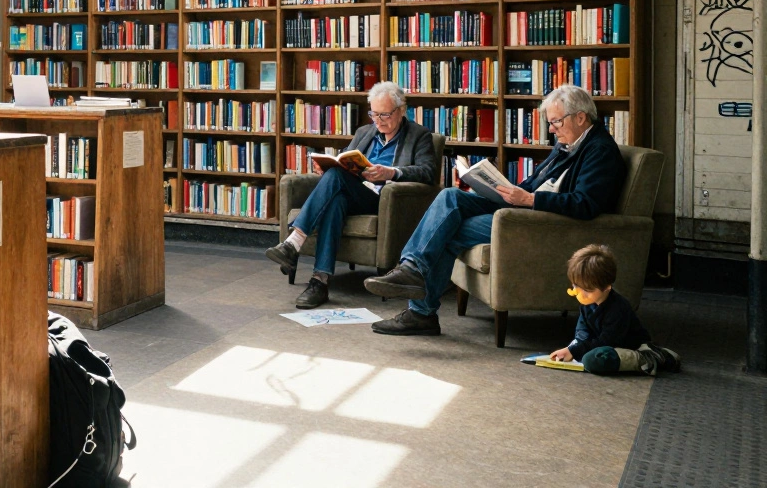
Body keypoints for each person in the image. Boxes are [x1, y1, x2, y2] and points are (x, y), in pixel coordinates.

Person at [364, 84, 626, 336]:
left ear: (581, 117)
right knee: (450, 197)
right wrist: (501, 188)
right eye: (550, 122)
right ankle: (412, 268)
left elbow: (586, 204)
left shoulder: (599, 151)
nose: (552, 129)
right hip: (524, 206)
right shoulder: (568, 145)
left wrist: (530, 200)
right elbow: (534, 183)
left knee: (448, 228)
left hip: (539, 219)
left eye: (556, 122)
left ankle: (421, 311)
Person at [264, 82, 438, 309]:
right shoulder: (364, 133)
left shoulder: (419, 135)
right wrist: (326, 168)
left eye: (384, 114)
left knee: (336, 178)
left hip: (385, 200)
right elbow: (345, 161)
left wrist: (391, 173)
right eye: (374, 114)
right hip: (355, 193)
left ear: (401, 110)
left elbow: (429, 173)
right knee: (335, 199)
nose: (378, 120)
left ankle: (294, 241)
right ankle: (320, 281)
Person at [550, 244, 679, 375]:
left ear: (607, 287)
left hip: (627, 347)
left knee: (593, 360)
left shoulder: (618, 308)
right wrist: (571, 348)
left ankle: (652, 356)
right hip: (603, 346)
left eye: (588, 290)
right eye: (576, 286)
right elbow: (582, 332)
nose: (581, 294)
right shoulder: (587, 303)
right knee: (587, 355)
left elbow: (608, 340)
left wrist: (575, 351)